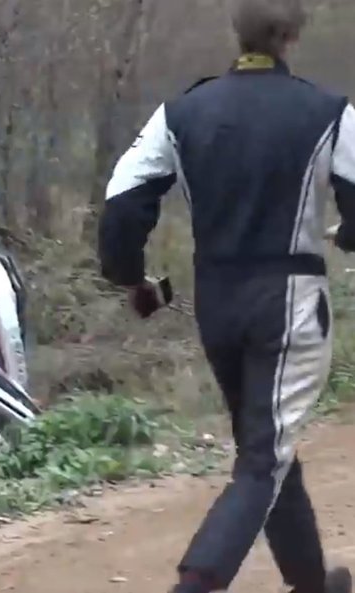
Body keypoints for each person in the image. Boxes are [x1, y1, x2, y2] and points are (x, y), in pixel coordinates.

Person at [97, 0, 355, 592]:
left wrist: (130, 276)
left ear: (234, 33)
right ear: (291, 35)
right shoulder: (328, 113)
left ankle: (311, 583)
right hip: (288, 301)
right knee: (264, 456)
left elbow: (122, 200)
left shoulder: (180, 114)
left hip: (217, 302)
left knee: (265, 441)